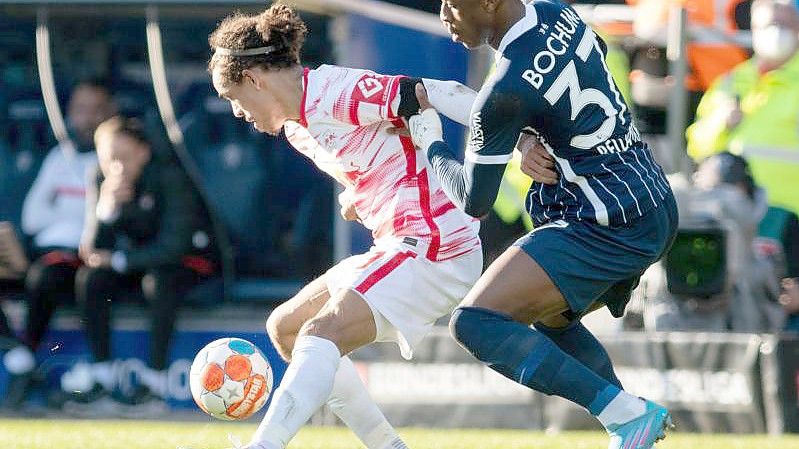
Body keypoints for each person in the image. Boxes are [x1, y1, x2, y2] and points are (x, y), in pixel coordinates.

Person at [205, 4, 518, 448]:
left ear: (254, 79)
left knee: (320, 331)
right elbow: (375, 160)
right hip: (399, 243)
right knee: (287, 329)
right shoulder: (298, 129)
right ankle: (388, 444)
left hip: (434, 245)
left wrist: (523, 139)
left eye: (233, 98)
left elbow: (436, 92)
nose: (238, 112)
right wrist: (357, 196)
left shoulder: (330, 91)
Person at [405, 1, 678, 449]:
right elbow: (571, 89)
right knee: (553, 318)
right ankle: (630, 425)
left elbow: (474, 201)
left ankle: (627, 414)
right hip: (650, 197)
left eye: (453, 4)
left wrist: (430, 141)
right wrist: (529, 136)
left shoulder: (503, 90)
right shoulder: (558, 13)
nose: (444, 16)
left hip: (607, 220)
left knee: (475, 323)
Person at [68, 116, 216, 415]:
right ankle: (101, 375)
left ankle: (155, 381)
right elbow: (92, 250)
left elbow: (173, 247)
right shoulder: (101, 178)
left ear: (143, 152)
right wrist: (106, 210)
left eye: (123, 158)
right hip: (134, 266)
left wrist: (122, 260)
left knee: (159, 282)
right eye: (109, 159)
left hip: (180, 265)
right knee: (91, 280)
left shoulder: (169, 178)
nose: (116, 167)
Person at [1, 79, 116, 410]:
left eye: (96, 110)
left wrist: (63, 213)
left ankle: (28, 360)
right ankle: (20, 357)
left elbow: (97, 223)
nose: (87, 118)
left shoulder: (113, 159)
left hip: (77, 259)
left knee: (44, 277)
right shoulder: (58, 157)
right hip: (39, 253)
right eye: (80, 109)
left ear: (109, 113)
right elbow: (32, 218)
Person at [686, 0, 799, 217]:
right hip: (736, 210)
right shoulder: (730, 82)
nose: (776, 32)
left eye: (785, 25)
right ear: (753, 30)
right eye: (769, 25)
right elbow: (696, 146)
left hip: (790, 214)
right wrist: (721, 123)